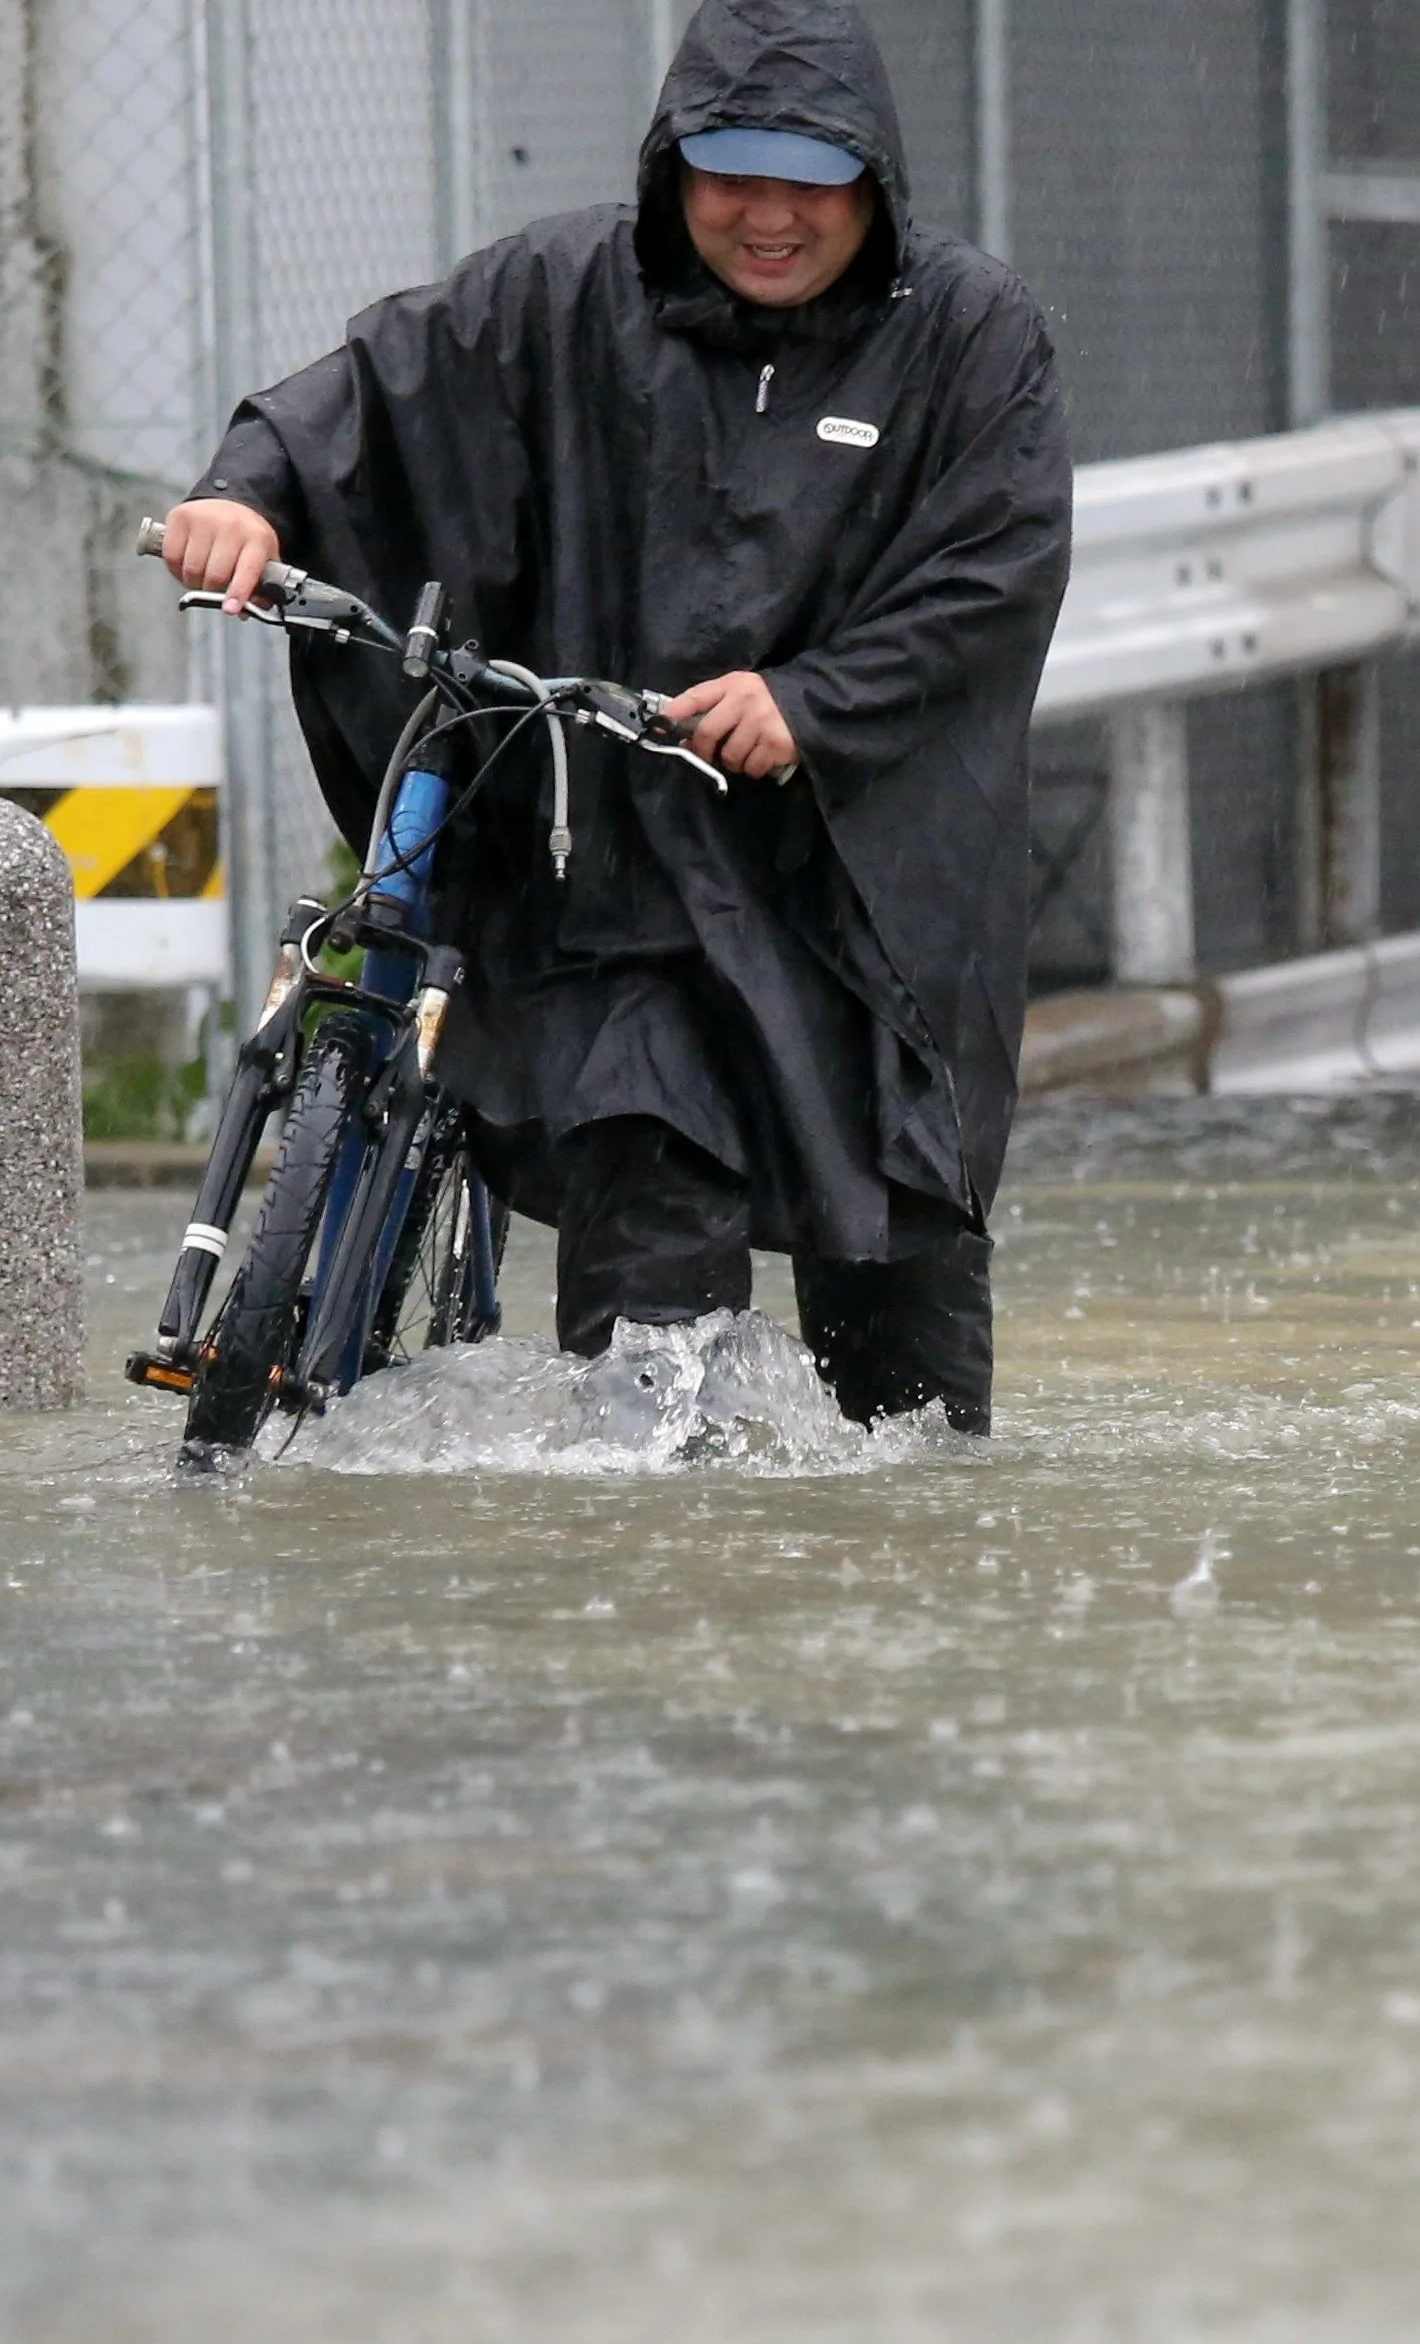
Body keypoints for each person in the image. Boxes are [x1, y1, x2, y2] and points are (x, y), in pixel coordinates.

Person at [161, 0, 1071, 1430]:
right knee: (649, 1296)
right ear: (673, 171)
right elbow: (375, 394)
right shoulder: (566, 290)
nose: (767, 218)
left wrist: (812, 701)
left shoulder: (968, 332)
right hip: (622, 882)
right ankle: (654, 1581)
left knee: (905, 1350)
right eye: (731, 178)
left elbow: (993, 570)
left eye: (807, 182)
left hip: (862, 890)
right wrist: (246, 493)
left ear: (872, 185)